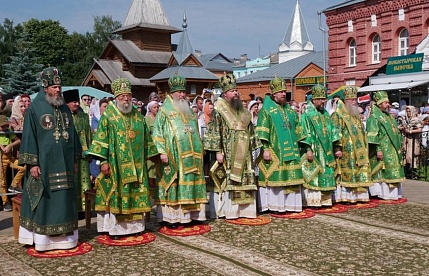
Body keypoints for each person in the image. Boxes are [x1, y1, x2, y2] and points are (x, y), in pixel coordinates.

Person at [18, 67, 82, 251]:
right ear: (45, 87)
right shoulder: (35, 109)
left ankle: (66, 238)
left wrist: (76, 159)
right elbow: (29, 137)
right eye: (54, 86)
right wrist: (32, 163)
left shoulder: (64, 108)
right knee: (46, 199)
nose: (58, 90)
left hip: (66, 162)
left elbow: (73, 134)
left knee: (64, 198)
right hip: (44, 165)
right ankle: (43, 240)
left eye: (59, 86)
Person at [88, 78, 157, 239]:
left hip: (138, 166)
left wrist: (154, 156)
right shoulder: (109, 116)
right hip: (116, 166)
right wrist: (103, 161)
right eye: (122, 96)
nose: (126, 99)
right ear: (116, 96)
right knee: (117, 195)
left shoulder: (138, 117)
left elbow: (147, 138)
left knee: (136, 195)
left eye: (128, 95)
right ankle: (117, 229)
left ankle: (136, 228)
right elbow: (100, 140)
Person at [152, 75, 207, 229]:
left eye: (184, 92)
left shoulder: (190, 112)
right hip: (173, 156)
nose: (182, 95)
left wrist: (200, 148)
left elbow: (195, 131)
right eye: (179, 92)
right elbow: (157, 133)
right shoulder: (164, 111)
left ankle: (194, 215)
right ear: (172, 93)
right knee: (174, 185)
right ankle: (173, 218)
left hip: (193, 156)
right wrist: (162, 152)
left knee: (193, 183)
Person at [204, 73, 262, 219]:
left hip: (245, 154)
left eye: (236, 90)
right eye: (232, 91)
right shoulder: (218, 110)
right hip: (227, 152)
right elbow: (213, 131)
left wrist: (256, 147)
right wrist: (218, 151)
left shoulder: (243, 111)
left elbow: (250, 130)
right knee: (228, 180)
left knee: (245, 178)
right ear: (225, 93)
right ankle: (229, 211)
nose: (236, 93)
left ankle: (246, 210)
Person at [256, 77, 305, 213]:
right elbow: (261, 132)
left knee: (291, 177)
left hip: (292, 151)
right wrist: (265, 149)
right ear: (273, 94)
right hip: (275, 150)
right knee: (276, 179)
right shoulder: (266, 110)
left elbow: (298, 129)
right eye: (281, 92)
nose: (284, 94)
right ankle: (275, 205)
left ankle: (290, 205)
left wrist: (305, 146)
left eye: (285, 91)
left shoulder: (290, 111)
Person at [300, 84, 339, 207]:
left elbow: (333, 131)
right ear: (314, 99)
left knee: (327, 172)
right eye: (321, 99)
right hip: (315, 149)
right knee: (315, 174)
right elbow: (305, 132)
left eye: (324, 99)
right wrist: (308, 150)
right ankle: (313, 201)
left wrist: (336, 147)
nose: (323, 101)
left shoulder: (326, 113)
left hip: (327, 150)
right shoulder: (307, 114)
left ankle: (326, 199)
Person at [331, 86, 372, 203]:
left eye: (355, 99)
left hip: (357, 150)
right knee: (347, 172)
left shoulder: (355, 114)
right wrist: (337, 148)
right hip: (346, 150)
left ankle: (358, 195)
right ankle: (346, 196)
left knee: (358, 171)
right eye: (352, 100)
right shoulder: (338, 115)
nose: (354, 102)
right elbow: (335, 132)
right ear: (345, 101)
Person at [366, 90, 405, 200]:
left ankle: (394, 193)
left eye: (388, 102)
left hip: (393, 148)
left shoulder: (389, 116)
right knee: (385, 171)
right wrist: (378, 149)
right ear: (379, 104)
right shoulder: (374, 117)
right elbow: (373, 135)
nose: (388, 104)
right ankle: (383, 193)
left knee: (394, 169)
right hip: (383, 148)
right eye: (386, 102)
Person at [63, 89, 92, 218]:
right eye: (74, 102)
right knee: (72, 182)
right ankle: (73, 209)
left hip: (84, 155)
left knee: (84, 182)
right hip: (70, 156)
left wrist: (90, 151)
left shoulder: (84, 116)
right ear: (67, 103)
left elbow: (89, 134)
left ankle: (85, 209)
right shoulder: (63, 117)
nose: (77, 104)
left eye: (77, 101)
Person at [0, 115, 25, 211]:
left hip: (9, 158)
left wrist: (10, 145)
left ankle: (14, 184)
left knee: (23, 167)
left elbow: (19, 140)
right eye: (2, 126)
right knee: (2, 182)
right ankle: (5, 202)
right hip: (1, 159)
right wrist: (1, 146)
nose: (4, 128)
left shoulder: (8, 132)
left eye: (6, 126)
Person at [144, 100, 160, 204]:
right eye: (155, 107)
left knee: (157, 174)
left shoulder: (159, 119)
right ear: (150, 109)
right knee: (150, 175)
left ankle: (157, 199)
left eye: (158, 107)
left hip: (159, 148)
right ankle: (149, 200)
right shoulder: (146, 119)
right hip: (151, 148)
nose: (157, 109)